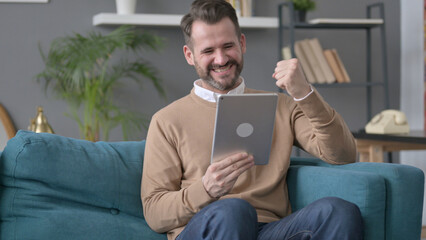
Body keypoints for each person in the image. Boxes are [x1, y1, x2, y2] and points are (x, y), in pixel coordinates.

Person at [141, 0, 363, 239]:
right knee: (234, 211)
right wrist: (205, 189)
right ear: (190, 55)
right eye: (208, 51)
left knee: (339, 211)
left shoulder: (282, 106)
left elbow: (343, 154)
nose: (221, 59)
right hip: (210, 227)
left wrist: (304, 92)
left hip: (270, 230)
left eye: (228, 46)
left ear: (242, 43)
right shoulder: (167, 120)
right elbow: (155, 213)